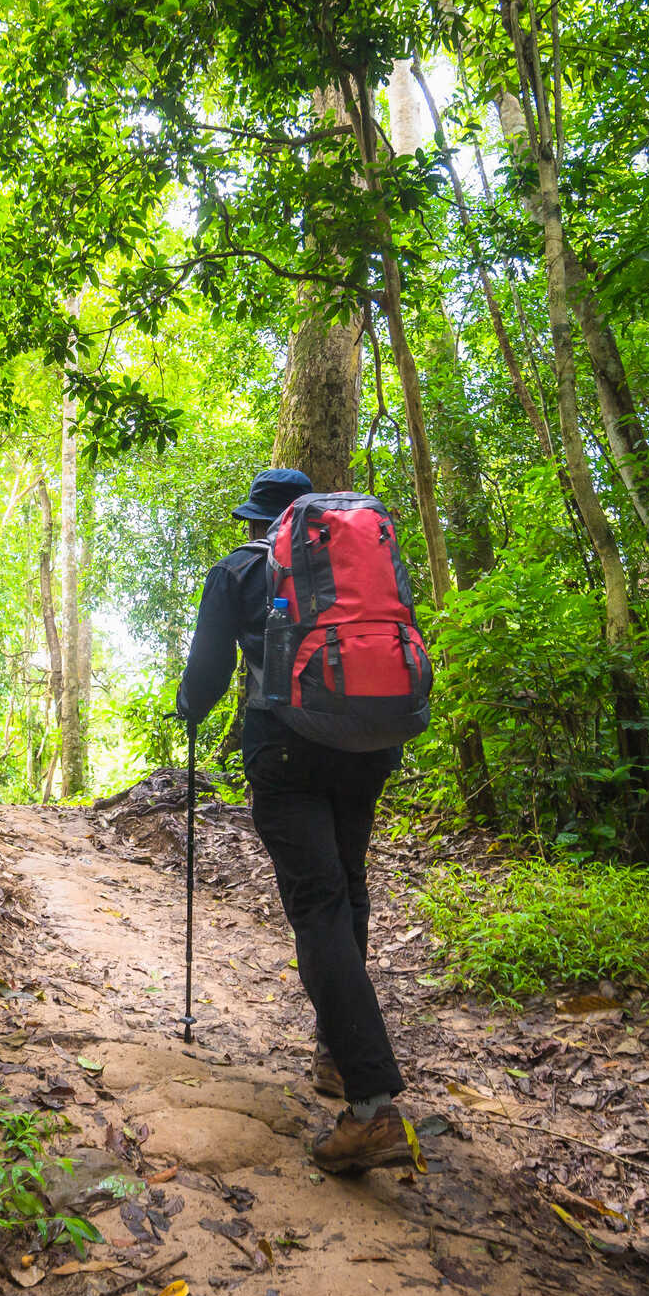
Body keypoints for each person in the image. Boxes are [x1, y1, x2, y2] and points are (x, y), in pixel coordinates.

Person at [174, 466, 413, 1173]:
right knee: (347, 888)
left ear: (261, 523)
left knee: (317, 907)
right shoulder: (353, 565)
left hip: (286, 752)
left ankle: (371, 1107)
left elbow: (210, 670)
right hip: (368, 743)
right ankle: (337, 1057)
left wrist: (191, 709)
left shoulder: (238, 571)